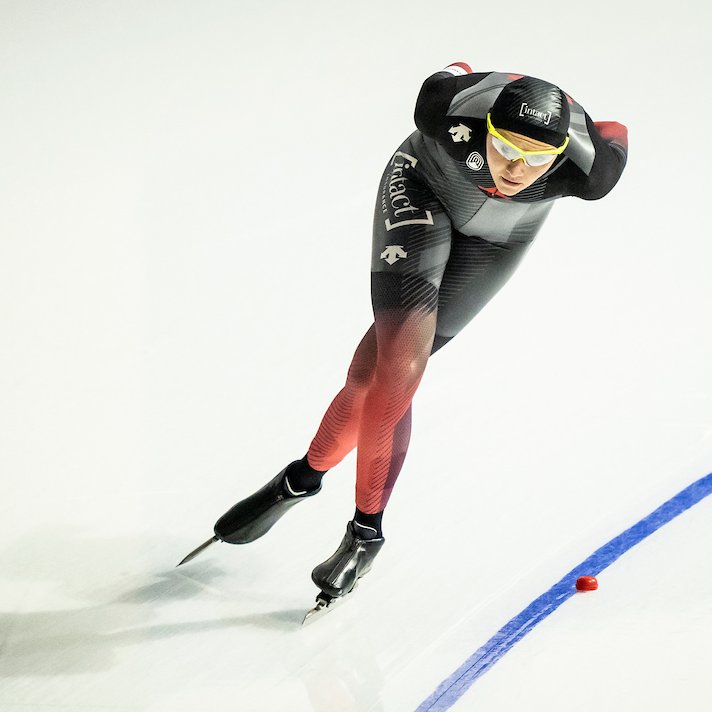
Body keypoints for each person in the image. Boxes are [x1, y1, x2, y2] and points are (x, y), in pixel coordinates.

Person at [180, 62, 628, 615]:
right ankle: (366, 532)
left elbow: (613, 131)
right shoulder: (447, 109)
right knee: (398, 364)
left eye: (536, 159)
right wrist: (473, 74)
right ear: (484, 128)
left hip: (498, 241)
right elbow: (455, 71)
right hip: (421, 190)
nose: (516, 169)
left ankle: (298, 480)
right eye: (507, 149)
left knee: (372, 377)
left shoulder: (588, 172)